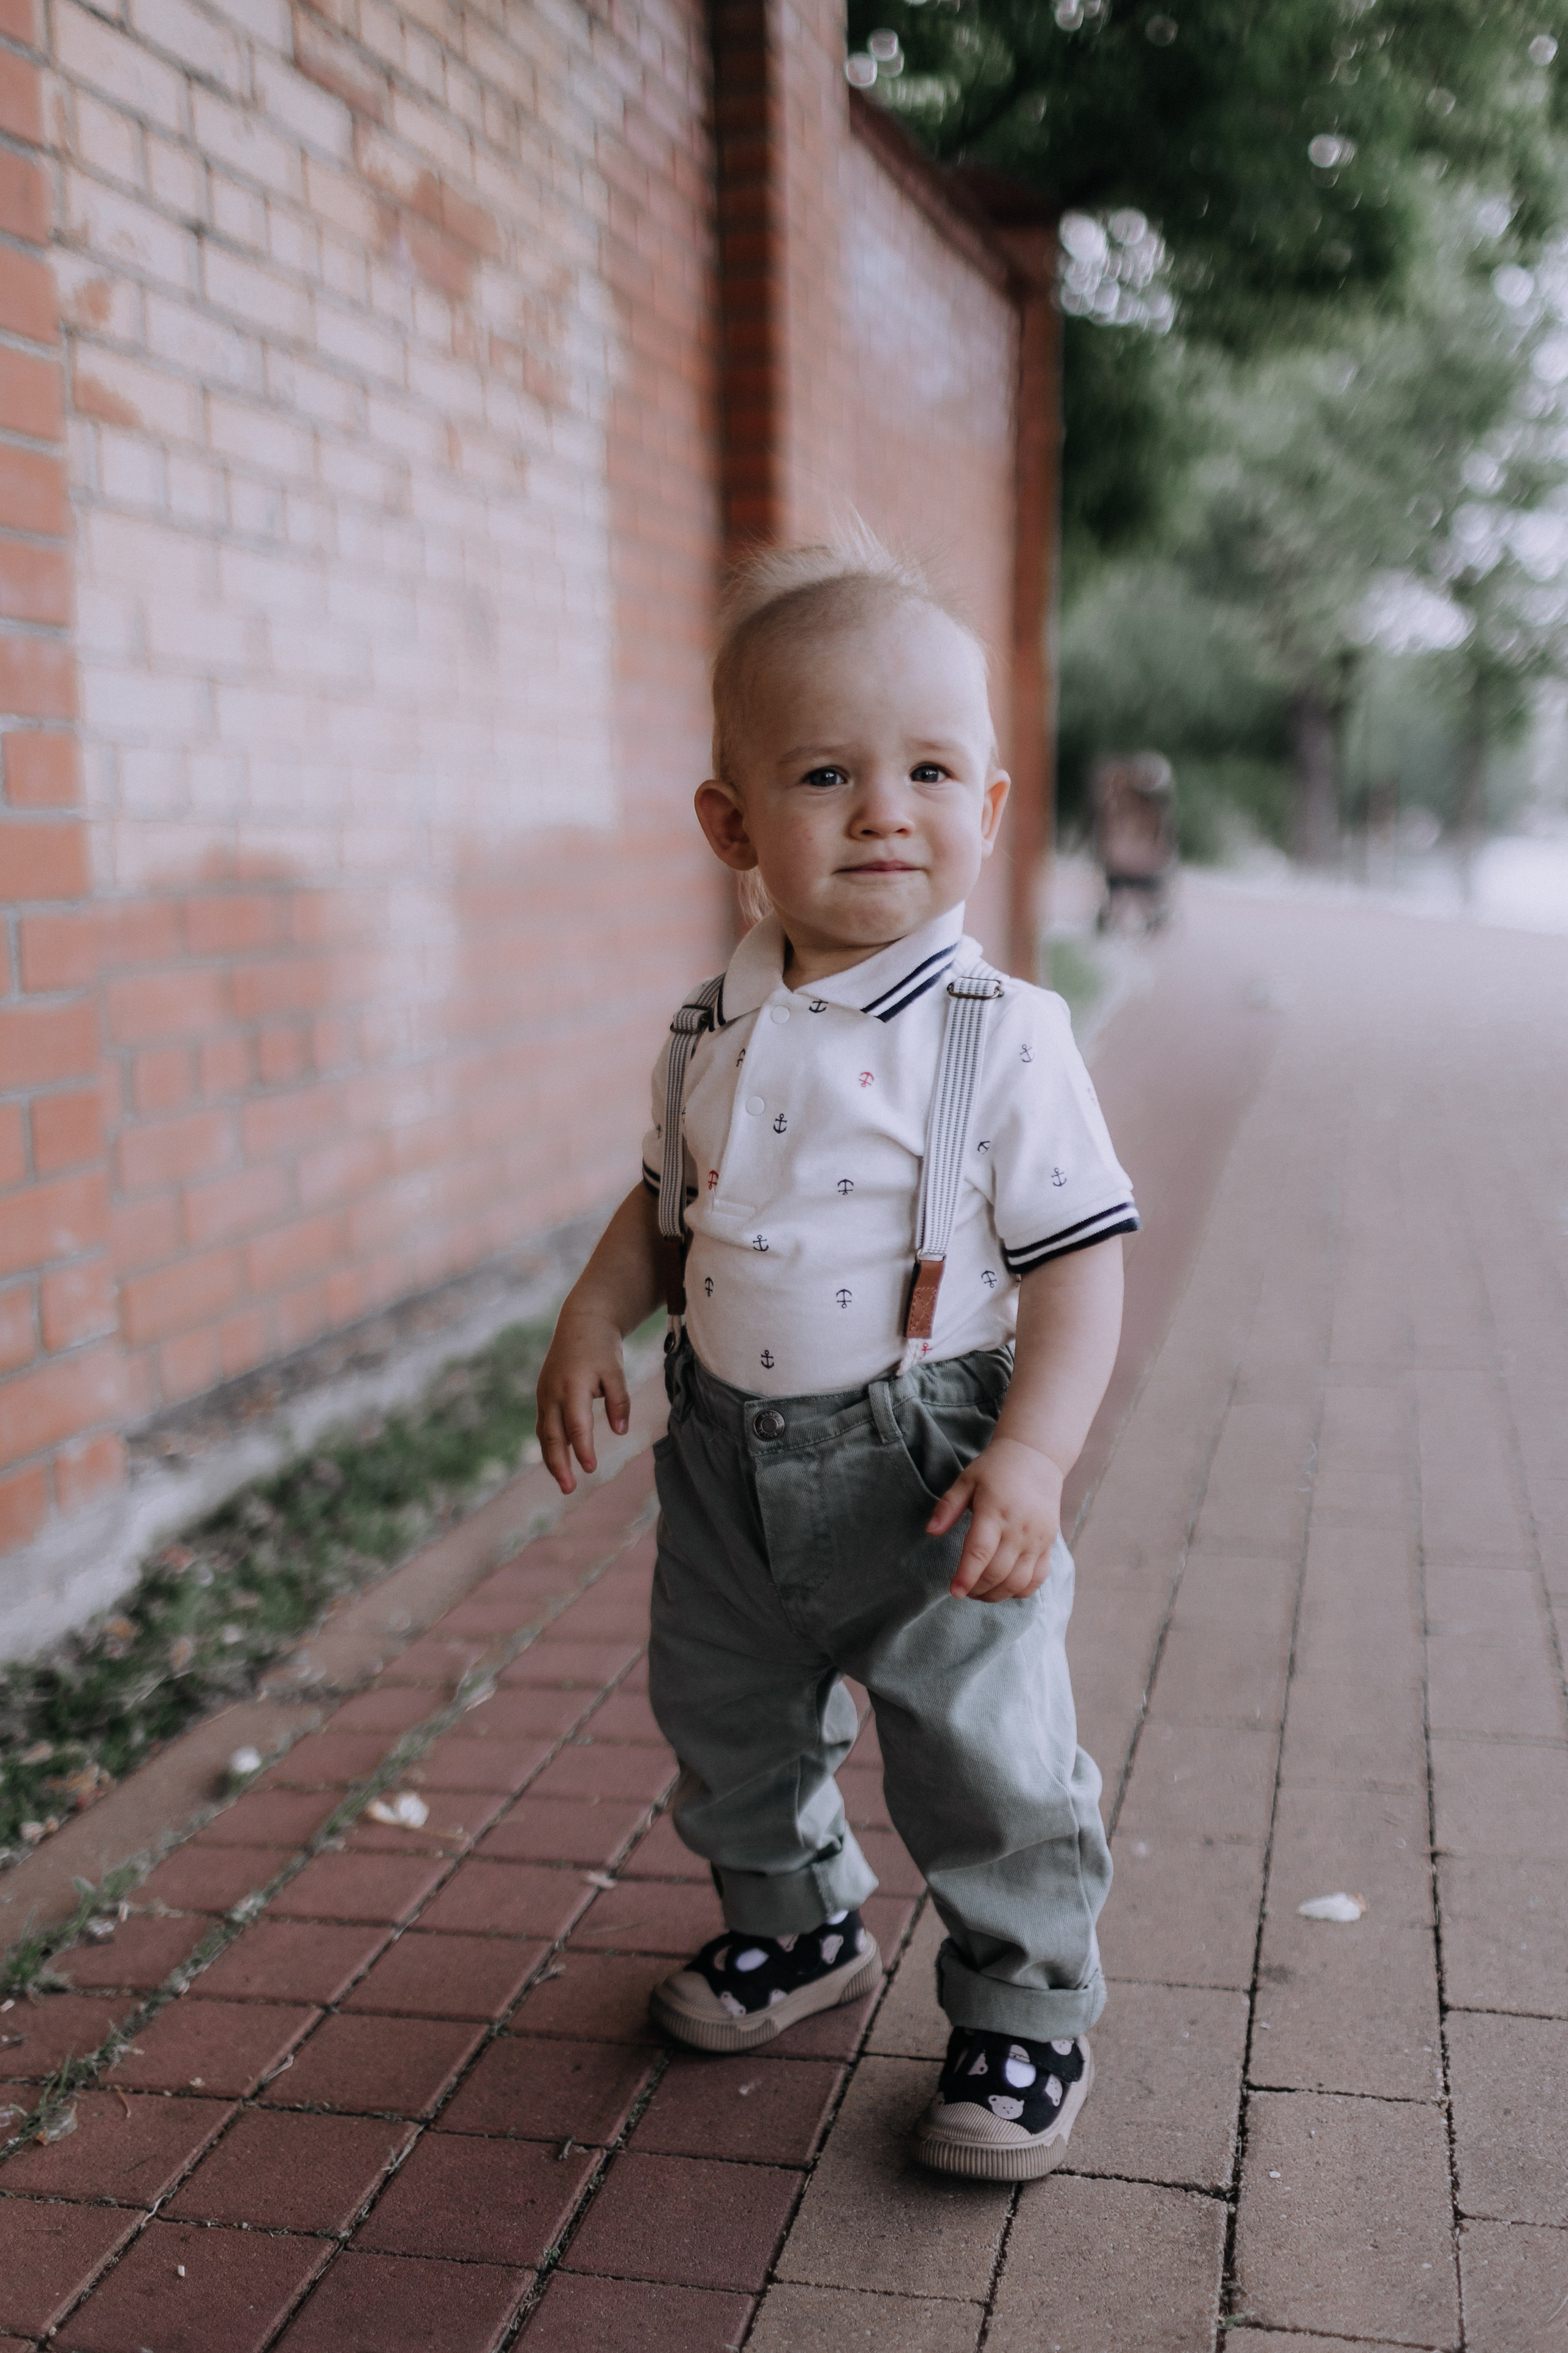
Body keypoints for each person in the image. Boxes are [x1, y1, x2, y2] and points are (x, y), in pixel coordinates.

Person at [535, 535, 1139, 2181]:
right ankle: (796, 1928)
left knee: (983, 1754)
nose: (885, 808)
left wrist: (1030, 1456)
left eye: (929, 770)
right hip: (725, 1460)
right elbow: (669, 1210)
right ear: (732, 824)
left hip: (928, 1463)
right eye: (827, 772)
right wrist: (599, 1309)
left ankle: (1025, 2010)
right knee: (726, 1715)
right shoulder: (707, 1029)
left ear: (994, 807)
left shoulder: (1003, 1034)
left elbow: (1082, 1264)